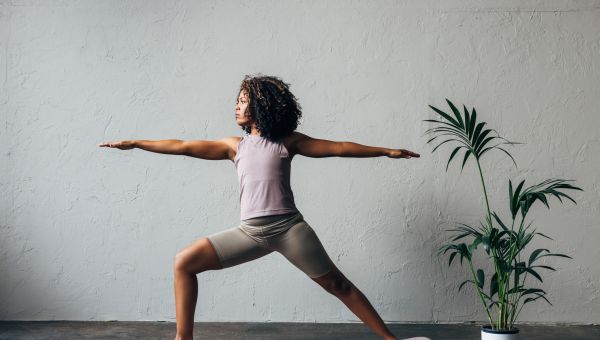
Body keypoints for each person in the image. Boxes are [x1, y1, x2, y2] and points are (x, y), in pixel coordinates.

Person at [98, 74, 427, 340]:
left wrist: (385, 151)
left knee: (338, 285)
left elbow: (339, 147)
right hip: (251, 233)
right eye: (237, 100)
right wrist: (137, 143)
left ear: (261, 105)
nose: (236, 106)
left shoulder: (288, 142)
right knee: (184, 262)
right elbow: (183, 146)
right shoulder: (234, 146)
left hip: (289, 229)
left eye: (242, 100)